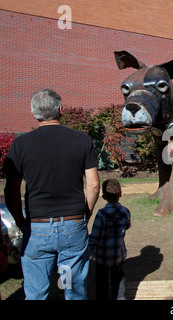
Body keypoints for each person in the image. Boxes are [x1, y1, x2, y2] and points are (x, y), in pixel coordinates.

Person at [2, 89, 100, 300]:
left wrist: (21, 221)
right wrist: (86, 215)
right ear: (60, 110)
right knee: (72, 291)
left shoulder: (20, 144)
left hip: (37, 228)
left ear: (33, 113)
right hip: (73, 227)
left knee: (36, 294)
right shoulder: (82, 139)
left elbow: (10, 190)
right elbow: (93, 186)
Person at [89, 179, 131, 300]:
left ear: (104, 197)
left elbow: (95, 236)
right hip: (118, 254)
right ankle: (120, 298)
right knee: (118, 278)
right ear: (121, 194)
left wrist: (89, 251)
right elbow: (127, 226)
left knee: (101, 281)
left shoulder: (101, 214)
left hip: (102, 256)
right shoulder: (125, 211)